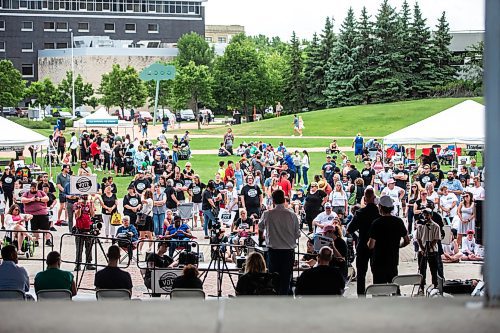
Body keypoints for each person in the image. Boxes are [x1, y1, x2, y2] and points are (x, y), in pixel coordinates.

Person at [258, 190, 300, 295]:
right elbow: (297, 234)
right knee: (286, 279)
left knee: (273, 279)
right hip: (288, 252)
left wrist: (261, 239)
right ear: (284, 199)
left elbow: (260, 228)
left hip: (273, 252)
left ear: (273, 200)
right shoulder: (292, 215)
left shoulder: (267, 214)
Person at [368, 195, 410, 284]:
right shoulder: (398, 222)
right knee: (394, 287)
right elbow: (407, 240)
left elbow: (371, 245)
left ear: (380, 207)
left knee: (380, 290)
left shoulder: (376, 223)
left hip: (378, 261)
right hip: (393, 260)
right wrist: (398, 246)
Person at [347, 188, 380, 295]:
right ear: (374, 198)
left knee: (361, 274)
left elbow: (349, 229)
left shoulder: (360, 212)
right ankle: (376, 295)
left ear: (365, 199)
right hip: (377, 246)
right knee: (377, 272)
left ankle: (361, 296)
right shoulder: (379, 212)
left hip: (362, 244)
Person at [415, 208, 441, 294]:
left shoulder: (436, 226)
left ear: (431, 215)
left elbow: (436, 239)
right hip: (422, 251)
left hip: (432, 251)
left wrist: (428, 248)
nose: (425, 216)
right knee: (422, 270)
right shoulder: (420, 226)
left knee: (434, 270)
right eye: (424, 214)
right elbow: (418, 238)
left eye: (427, 214)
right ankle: (421, 287)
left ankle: (435, 286)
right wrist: (422, 248)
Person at [21, 182, 52, 247]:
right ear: (30, 188)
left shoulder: (41, 192)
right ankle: (36, 241)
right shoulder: (26, 193)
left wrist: (40, 199)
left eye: (35, 188)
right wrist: (30, 199)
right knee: (35, 228)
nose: (34, 189)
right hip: (32, 214)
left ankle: (48, 240)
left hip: (42, 212)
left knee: (46, 227)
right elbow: (22, 200)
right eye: (32, 188)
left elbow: (47, 198)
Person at [73, 194, 96, 271]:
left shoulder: (89, 204)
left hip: (88, 229)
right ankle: (78, 264)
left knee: (89, 247)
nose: (85, 200)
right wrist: (79, 207)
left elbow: (92, 214)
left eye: (86, 198)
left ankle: (88, 263)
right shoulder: (76, 204)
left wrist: (91, 205)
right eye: (83, 198)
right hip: (79, 229)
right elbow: (77, 215)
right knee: (79, 248)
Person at [137, 189, 154, 255]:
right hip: (143, 217)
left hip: (148, 218)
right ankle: (140, 249)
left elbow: (142, 201)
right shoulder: (147, 200)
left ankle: (150, 248)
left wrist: (142, 195)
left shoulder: (149, 200)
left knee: (149, 234)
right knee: (142, 235)